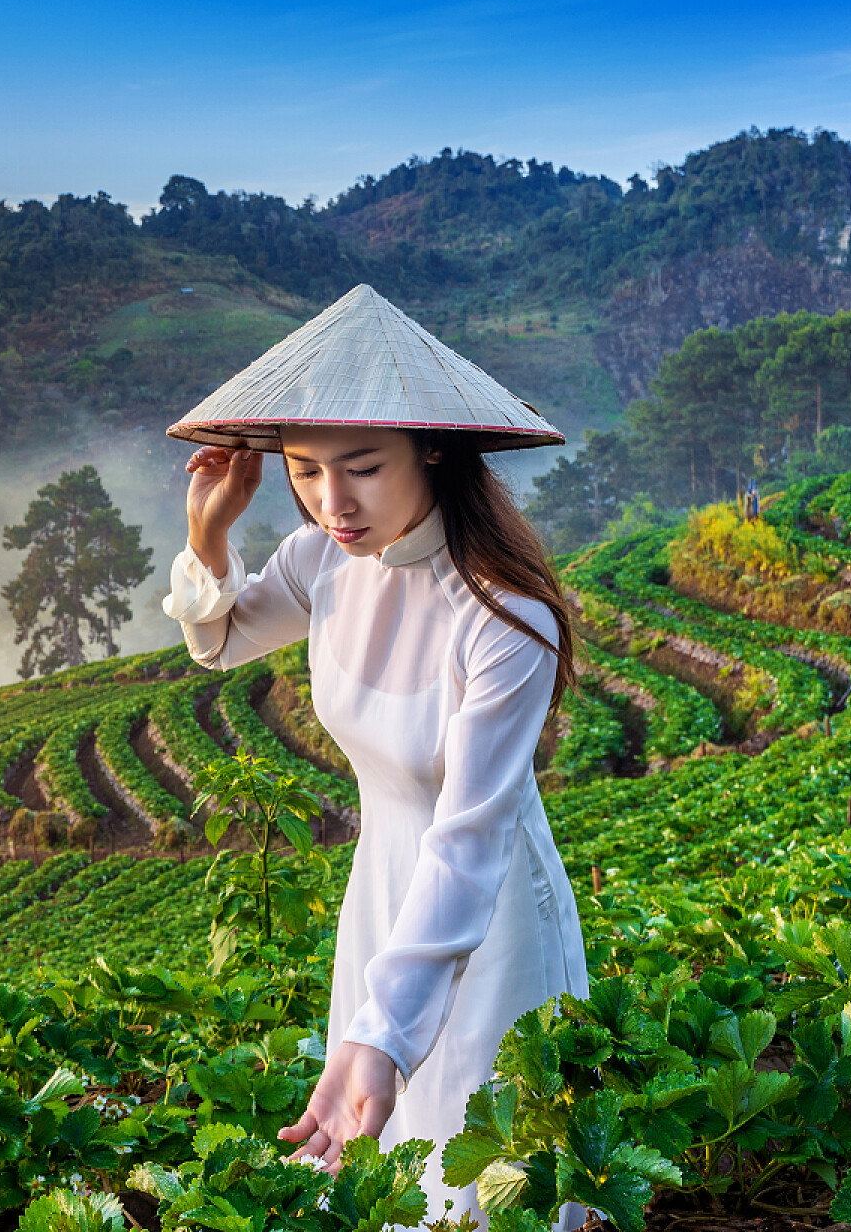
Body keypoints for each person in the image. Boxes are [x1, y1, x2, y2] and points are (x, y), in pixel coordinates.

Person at [160, 284, 591, 1231]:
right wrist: (211, 529)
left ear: (432, 448)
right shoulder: (324, 562)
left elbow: (472, 838)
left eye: (360, 468)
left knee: (486, 1173)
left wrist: (386, 1034)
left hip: (487, 906)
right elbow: (219, 639)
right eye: (306, 472)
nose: (332, 502)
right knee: (392, 1176)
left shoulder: (504, 619)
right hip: (381, 888)